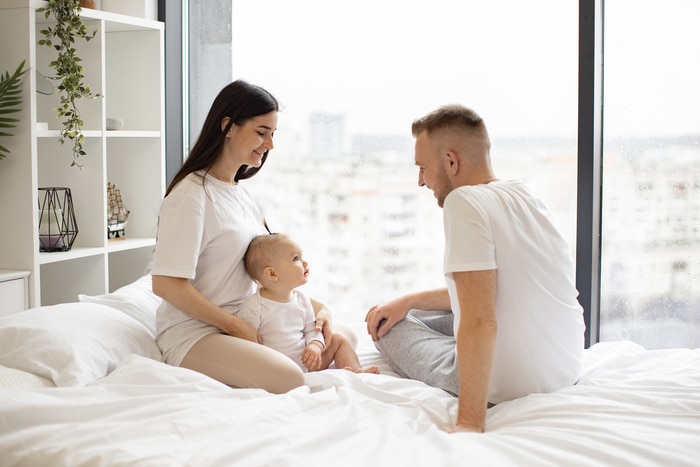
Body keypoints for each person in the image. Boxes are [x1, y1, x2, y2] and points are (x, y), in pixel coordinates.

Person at [365, 104, 585, 433]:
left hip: (514, 383)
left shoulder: (462, 201)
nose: (421, 182)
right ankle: (431, 323)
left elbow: (480, 318)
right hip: (565, 364)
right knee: (400, 311)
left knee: (385, 326)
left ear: (451, 162)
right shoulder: (524, 194)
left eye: (424, 168)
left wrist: (469, 422)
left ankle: (470, 366)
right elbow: (496, 287)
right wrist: (409, 300)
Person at [151, 80, 339, 394]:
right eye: (261, 132)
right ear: (228, 126)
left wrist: (320, 309)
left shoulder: (243, 196)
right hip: (196, 333)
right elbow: (166, 284)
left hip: (248, 322)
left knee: (343, 336)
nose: (270, 144)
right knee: (290, 378)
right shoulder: (191, 196)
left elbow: (263, 270)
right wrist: (235, 325)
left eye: (273, 134)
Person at [239, 233, 379, 374]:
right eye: (296, 259)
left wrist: (315, 346)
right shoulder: (255, 305)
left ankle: (355, 370)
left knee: (339, 340)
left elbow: (312, 329)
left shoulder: (302, 300)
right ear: (272, 274)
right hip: (276, 367)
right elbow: (248, 342)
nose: (305, 263)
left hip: (308, 363)